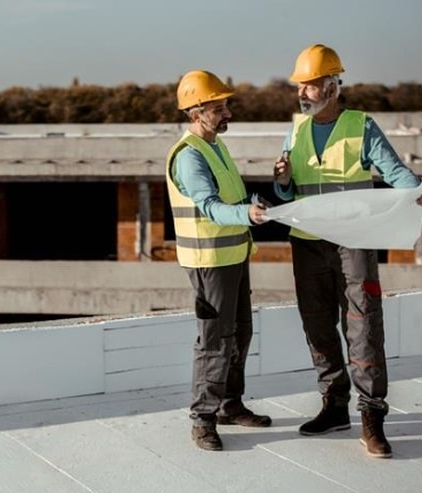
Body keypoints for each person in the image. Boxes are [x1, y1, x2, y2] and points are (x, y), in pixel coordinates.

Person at [272, 44, 422, 459]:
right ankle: (334, 405)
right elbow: (287, 190)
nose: (303, 93)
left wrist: (418, 192)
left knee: (363, 326)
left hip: (354, 243)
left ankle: (371, 417)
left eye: (311, 85)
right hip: (308, 243)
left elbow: (394, 170)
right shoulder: (295, 129)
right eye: (301, 86)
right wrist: (282, 180)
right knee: (317, 324)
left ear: (333, 86)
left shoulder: (361, 126)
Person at [166, 70, 273, 452]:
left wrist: (258, 202)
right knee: (214, 341)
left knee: (240, 333)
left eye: (226, 104)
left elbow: (232, 197)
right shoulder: (189, 156)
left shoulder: (215, 146)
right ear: (196, 112)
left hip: (234, 256)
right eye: (219, 106)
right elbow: (212, 208)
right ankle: (203, 419)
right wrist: (248, 215)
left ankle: (230, 404)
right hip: (209, 262)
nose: (227, 111)